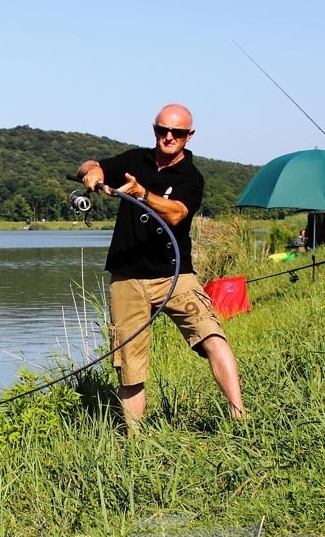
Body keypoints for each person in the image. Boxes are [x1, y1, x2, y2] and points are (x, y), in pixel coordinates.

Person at [75, 103, 245, 435]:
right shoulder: (133, 160)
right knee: (129, 364)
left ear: (189, 136)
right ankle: (134, 441)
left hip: (175, 275)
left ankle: (240, 417)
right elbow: (90, 164)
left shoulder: (191, 177)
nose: (168, 137)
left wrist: (144, 194)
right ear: (154, 129)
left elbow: (177, 213)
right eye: (161, 130)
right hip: (127, 278)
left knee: (212, 335)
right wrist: (92, 173)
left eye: (177, 133)